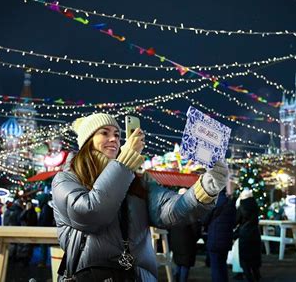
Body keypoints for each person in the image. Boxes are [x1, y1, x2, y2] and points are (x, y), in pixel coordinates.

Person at [52, 113, 228, 281]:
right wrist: (124, 165)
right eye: (104, 133)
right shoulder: (66, 179)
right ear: (87, 141)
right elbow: (90, 214)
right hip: (88, 276)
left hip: (137, 276)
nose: (113, 139)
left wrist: (206, 187)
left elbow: (170, 210)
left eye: (117, 135)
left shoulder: (136, 179)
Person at [168, 188, 202, 282]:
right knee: (185, 265)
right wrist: (196, 237)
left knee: (178, 263)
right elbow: (196, 227)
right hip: (188, 241)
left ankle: (176, 279)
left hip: (175, 240)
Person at [204, 188, 237, 282]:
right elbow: (234, 221)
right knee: (222, 266)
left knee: (215, 267)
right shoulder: (230, 203)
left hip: (214, 238)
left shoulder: (213, 202)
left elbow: (205, 219)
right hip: (226, 239)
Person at [237, 190, 262, 282]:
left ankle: (249, 277)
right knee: (254, 257)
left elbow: (237, 219)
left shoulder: (241, 206)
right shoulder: (255, 205)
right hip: (255, 233)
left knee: (245, 259)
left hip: (245, 234)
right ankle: (257, 276)